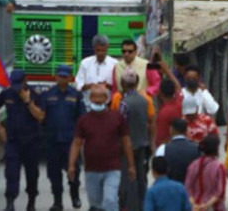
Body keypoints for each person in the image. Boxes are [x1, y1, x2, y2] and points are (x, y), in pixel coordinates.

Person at [69, 86, 136, 211]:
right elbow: (77, 143)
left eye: (101, 97)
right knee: (96, 205)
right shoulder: (83, 120)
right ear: (90, 98)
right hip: (91, 170)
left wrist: (131, 165)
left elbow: (126, 141)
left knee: (110, 201)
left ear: (106, 98)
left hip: (112, 169)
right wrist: (71, 165)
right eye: (95, 97)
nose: (98, 100)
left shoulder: (117, 118)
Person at [0, 69, 46, 211]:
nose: (16, 88)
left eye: (19, 84)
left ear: (25, 81)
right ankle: (10, 203)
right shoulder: (7, 94)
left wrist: (28, 101)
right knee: (11, 172)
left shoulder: (35, 95)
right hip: (13, 141)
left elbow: (40, 116)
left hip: (31, 141)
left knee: (32, 174)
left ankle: (31, 202)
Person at [42, 64, 85, 211]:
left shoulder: (76, 95)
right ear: (56, 77)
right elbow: (42, 117)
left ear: (70, 78)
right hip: (52, 140)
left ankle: (75, 196)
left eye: (65, 76)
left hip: (70, 141)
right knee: (54, 174)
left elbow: (82, 118)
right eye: (60, 76)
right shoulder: (48, 95)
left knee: (74, 172)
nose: (62, 78)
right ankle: (57, 201)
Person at [114, 71, 153, 211]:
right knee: (141, 177)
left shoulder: (124, 103)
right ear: (136, 84)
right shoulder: (144, 101)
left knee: (128, 176)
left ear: (123, 84)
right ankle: (142, 205)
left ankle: (128, 206)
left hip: (127, 147)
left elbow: (120, 126)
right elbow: (148, 122)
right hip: (142, 144)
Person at [185, 134, 227, 211]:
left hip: (196, 206)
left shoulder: (193, 165)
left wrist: (194, 205)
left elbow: (188, 188)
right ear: (216, 149)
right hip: (214, 207)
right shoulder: (219, 167)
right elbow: (220, 192)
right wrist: (206, 206)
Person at [156, 118, 200, 183]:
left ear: (171, 130)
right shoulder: (196, 149)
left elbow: (158, 172)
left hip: (170, 188)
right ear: (186, 131)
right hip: (191, 189)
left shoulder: (163, 149)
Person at [76, 34, 119, 100]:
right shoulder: (85, 63)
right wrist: (88, 86)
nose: (101, 53)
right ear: (94, 49)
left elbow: (118, 88)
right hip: (87, 104)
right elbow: (78, 85)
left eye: (103, 51)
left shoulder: (115, 64)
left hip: (108, 105)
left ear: (107, 48)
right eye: (98, 50)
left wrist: (107, 86)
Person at [154, 79, 184, 147]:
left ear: (160, 93)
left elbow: (160, 139)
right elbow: (178, 86)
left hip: (169, 147)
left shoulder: (164, 113)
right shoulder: (180, 101)